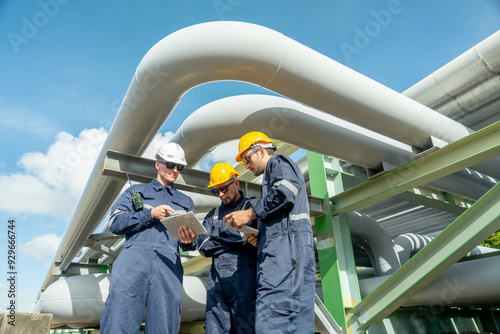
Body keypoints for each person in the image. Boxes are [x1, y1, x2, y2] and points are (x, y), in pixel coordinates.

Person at [100, 142, 198, 334]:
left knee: (165, 324)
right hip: (132, 264)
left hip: (168, 266)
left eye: (180, 167)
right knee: (119, 320)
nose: (175, 170)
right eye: (170, 164)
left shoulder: (186, 202)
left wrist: (189, 241)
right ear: (157, 164)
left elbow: (189, 243)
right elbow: (116, 223)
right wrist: (150, 214)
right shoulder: (135, 192)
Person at [225, 131, 316, 333]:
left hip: (286, 257)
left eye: (247, 159)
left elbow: (285, 193)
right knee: (293, 320)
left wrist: (250, 214)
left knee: (271, 318)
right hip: (287, 254)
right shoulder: (270, 178)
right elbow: (280, 217)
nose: (247, 166)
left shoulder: (279, 162)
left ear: (261, 151)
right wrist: (260, 236)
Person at [197, 162, 258, 334]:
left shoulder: (251, 208)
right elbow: (202, 246)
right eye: (217, 191)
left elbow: (244, 237)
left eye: (224, 188)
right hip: (217, 287)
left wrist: (215, 234)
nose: (221, 194)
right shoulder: (213, 214)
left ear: (236, 183)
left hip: (245, 284)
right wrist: (231, 234)